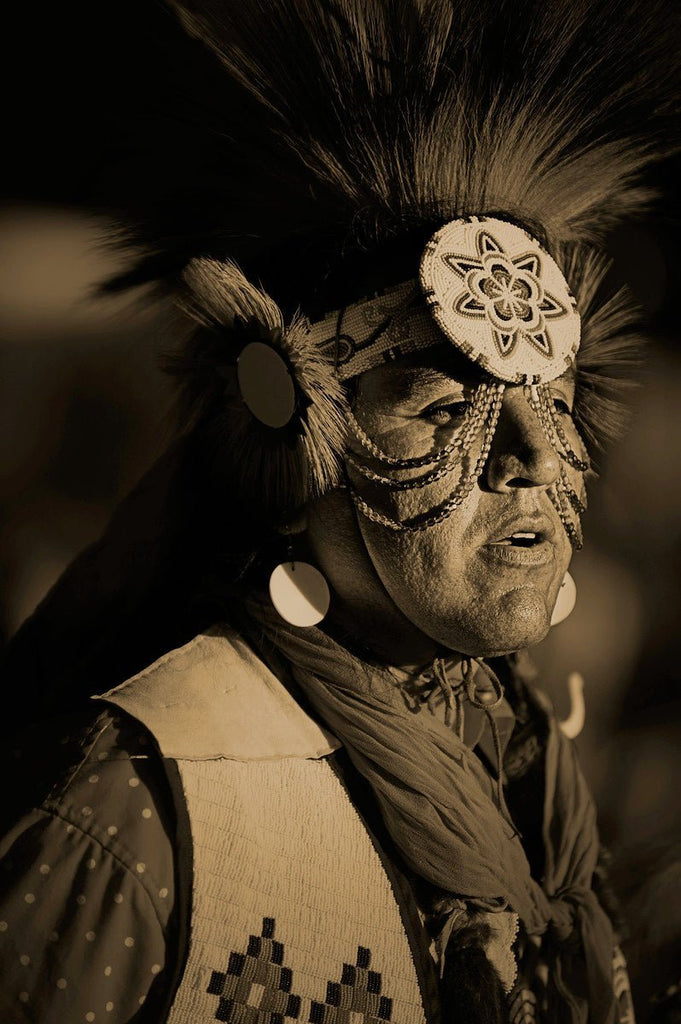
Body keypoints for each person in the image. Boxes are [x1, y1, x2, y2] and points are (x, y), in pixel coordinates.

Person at [1, 1, 679, 1021]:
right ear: (290, 437)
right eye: (447, 407)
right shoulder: (139, 815)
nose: (537, 455)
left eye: (558, 400)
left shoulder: (529, 771)